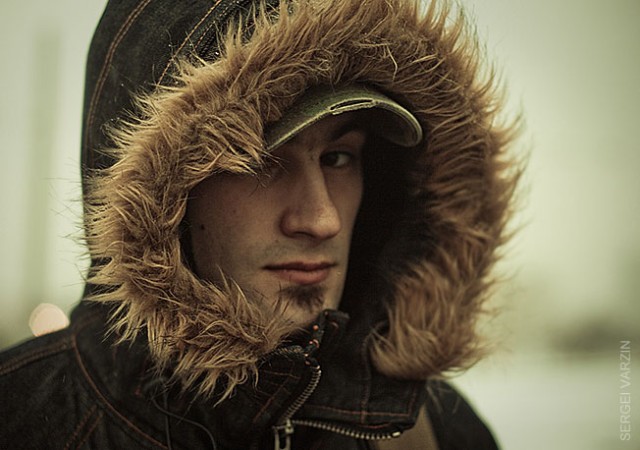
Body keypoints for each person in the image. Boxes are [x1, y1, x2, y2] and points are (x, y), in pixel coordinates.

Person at [0, 0, 520, 448]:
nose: (322, 219)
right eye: (258, 160)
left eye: (338, 158)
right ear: (159, 196)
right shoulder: (22, 421)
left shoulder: (431, 430)